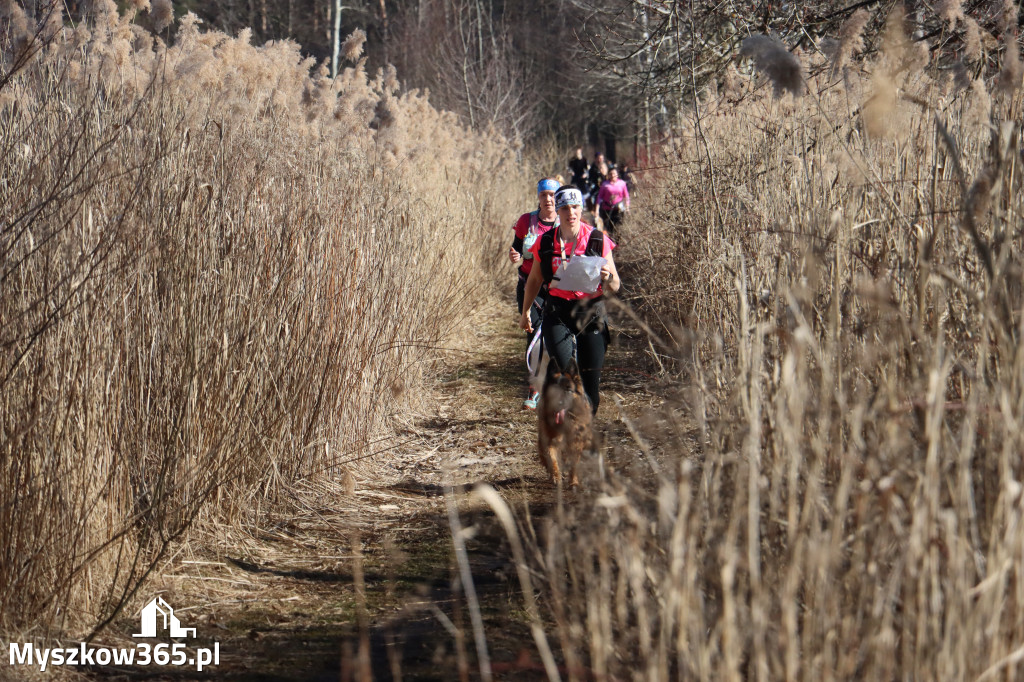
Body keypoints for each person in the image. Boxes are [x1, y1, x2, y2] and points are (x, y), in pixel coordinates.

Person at [519, 185, 620, 414]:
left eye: (575, 207)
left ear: (581, 208)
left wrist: (608, 277)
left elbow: (616, 285)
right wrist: (525, 312)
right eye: (565, 207)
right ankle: (567, 417)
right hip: (558, 313)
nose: (570, 213)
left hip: (590, 313)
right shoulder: (546, 242)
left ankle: (584, 430)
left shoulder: (597, 239)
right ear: (558, 210)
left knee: (590, 385)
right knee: (567, 374)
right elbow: (534, 280)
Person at [509, 177, 561, 409]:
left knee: (557, 333)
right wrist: (515, 257)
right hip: (530, 285)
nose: (548, 199)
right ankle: (535, 388)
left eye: (552, 195)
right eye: (544, 195)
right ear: (538, 197)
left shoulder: (566, 221)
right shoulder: (526, 221)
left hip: (559, 287)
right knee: (534, 333)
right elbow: (516, 250)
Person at [597, 167, 630, 237]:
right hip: (607, 209)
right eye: (610, 174)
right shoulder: (605, 184)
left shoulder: (622, 183)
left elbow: (626, 196)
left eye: (614, 173)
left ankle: (617, 244)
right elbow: (599, 197)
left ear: (617, 174)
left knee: (618, 227)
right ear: (608, 175)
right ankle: (609, 243)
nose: (612, 175)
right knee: (609, 228)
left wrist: (627, 207)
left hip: (618, 209)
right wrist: (597, 209)